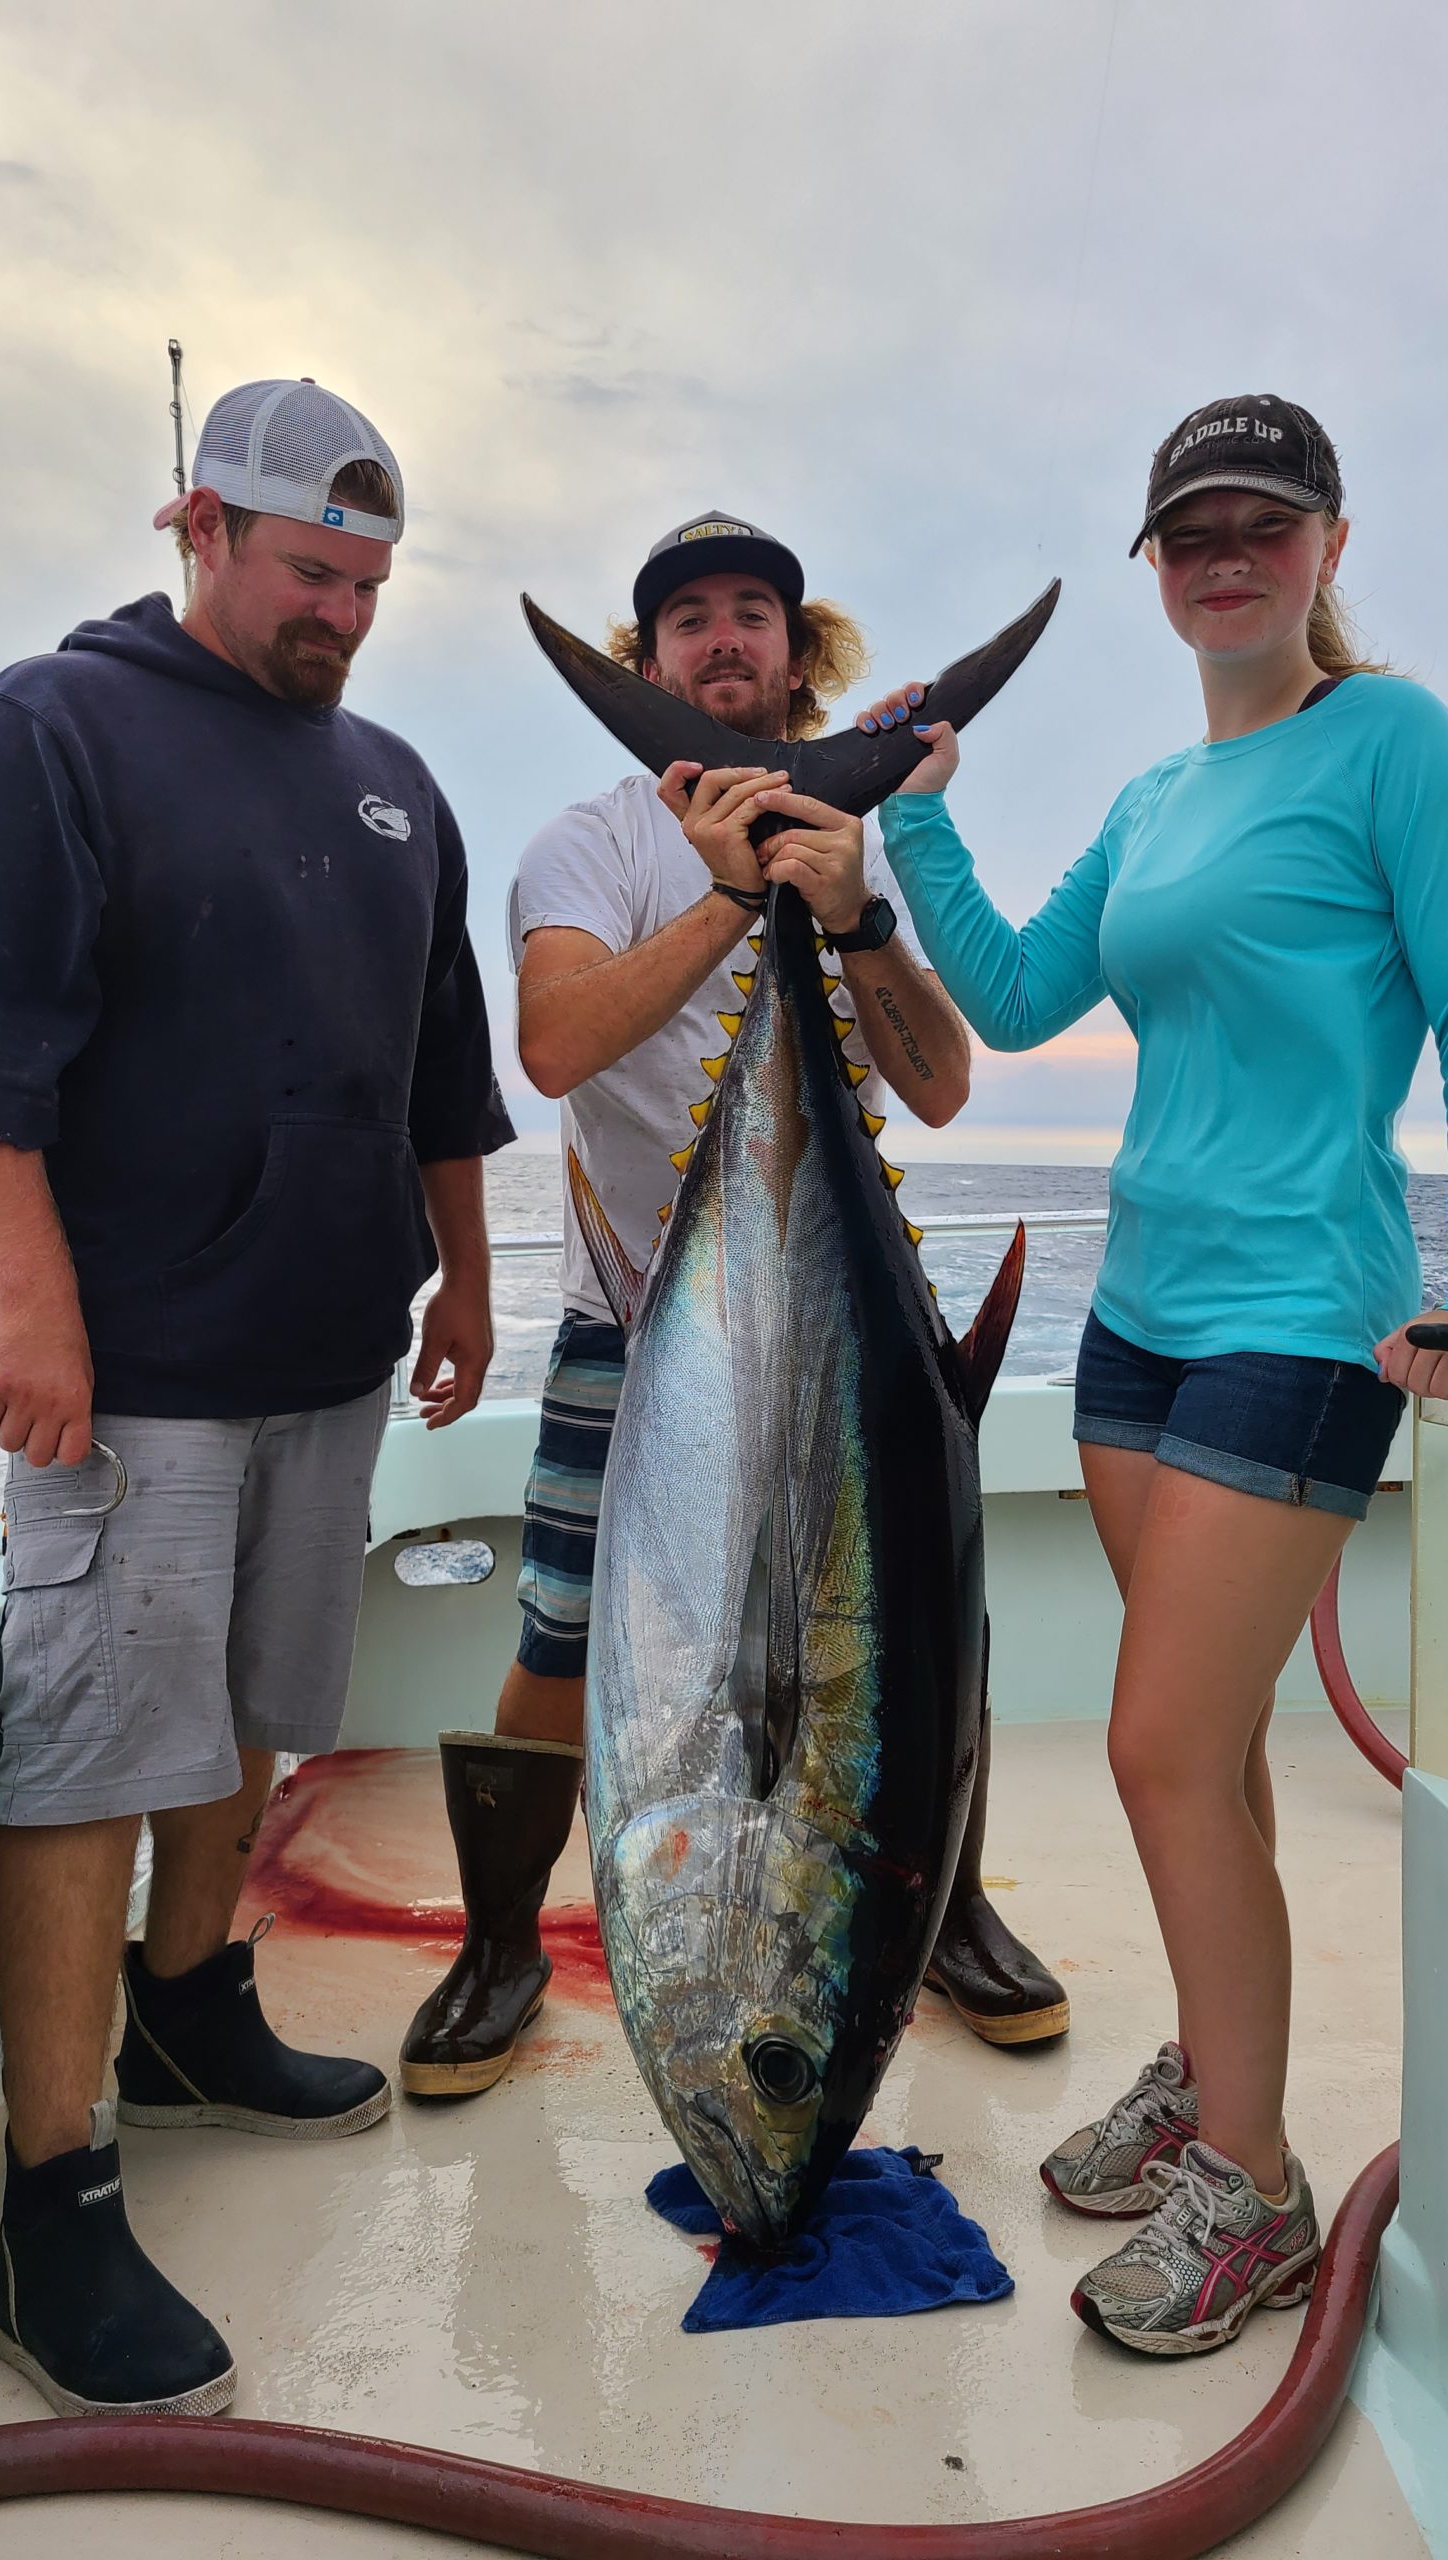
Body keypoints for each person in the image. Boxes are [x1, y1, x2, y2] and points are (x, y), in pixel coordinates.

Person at [852, 397, 1448, 2355]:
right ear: (1157, 567)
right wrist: (915, 807)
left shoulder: (1398, 744)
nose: (1224, 555)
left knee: (1155, 1745)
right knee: (1215, 1751)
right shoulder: (1159, 799)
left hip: (1305, 1311)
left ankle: (1252, 2181)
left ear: (1330, 542)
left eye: (1264, 521)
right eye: (1190, 532)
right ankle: (1207, 2064)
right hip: (1140, 1312)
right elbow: (1009, 992)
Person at [0, 378, 515, 2417]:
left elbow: (442, 1078)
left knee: (260, 1707)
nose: (341, 608)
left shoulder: (396, 780)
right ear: (199, 524)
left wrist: (471, 1281)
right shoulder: (46, 731)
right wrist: (38, 1311)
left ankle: (195, 2002)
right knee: (86, 1756)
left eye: (368, 580)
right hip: (133, 1376)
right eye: (310, 569)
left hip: (325, 1362)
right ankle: (50, 2196)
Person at [397, 512, 1069, 2099]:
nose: (722, 641)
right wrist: (722, 897)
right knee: (568, 1628)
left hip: (841, 1333)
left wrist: (852, 909)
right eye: (688, 619)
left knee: (915, 1638)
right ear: (647, 665)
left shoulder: (860, 845)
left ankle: (939, 1914)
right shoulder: (592, 841)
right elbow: (554, 1050)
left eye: (751, 613)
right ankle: (502, 1946)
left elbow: (947, 1088)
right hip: (642, 1314)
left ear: (793, 645)